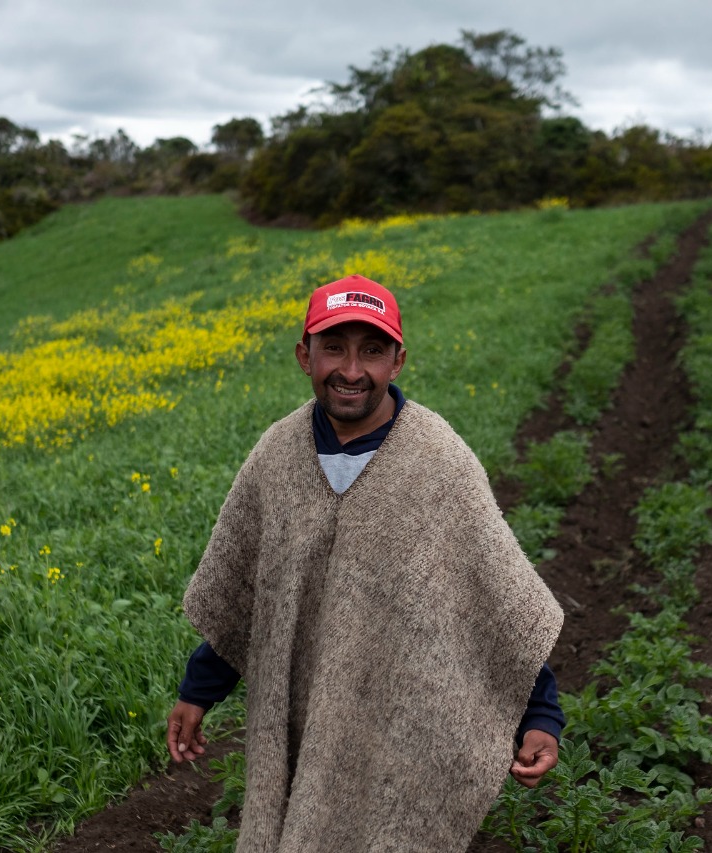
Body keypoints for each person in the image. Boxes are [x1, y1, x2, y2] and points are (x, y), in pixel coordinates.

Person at [166, 274, 565, 852]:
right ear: (305, 354)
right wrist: (198, 691)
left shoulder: (440, 463)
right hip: (299, 724)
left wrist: (540, 716)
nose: (351, 370)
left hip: (399, 733)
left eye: (371, 351)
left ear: (398, 361)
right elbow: (254, 600)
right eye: (335, 347)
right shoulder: (275, 458)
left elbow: (493, 611)